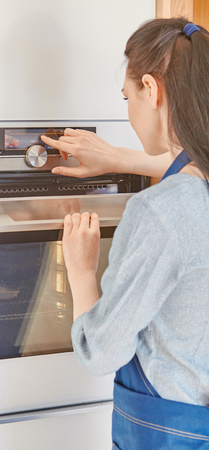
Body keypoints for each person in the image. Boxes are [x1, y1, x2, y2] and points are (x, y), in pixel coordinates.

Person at [42, 18, 209, 449]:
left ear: (151, 90)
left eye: (127, 98)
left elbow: (102, 351)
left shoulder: (158, 213)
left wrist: (80, 270)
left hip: (171, 433)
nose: (130, 111)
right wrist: (117, 158)